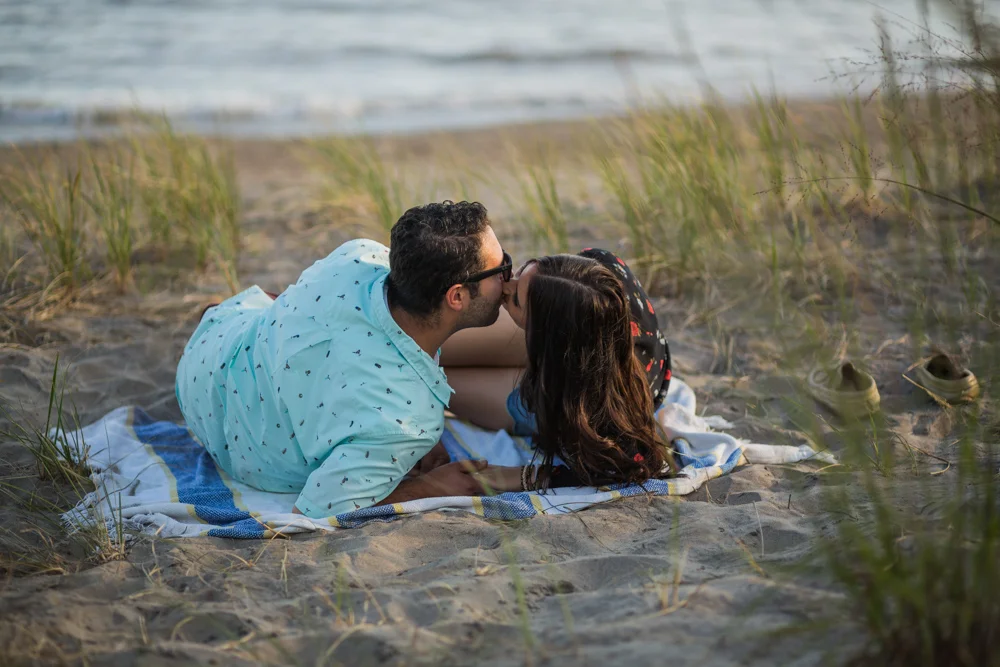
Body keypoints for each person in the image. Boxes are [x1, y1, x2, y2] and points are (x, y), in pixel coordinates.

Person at [174, 201, 513, 517]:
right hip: (232, 441)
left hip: (216, 347)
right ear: (456, 296)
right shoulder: (405, 421)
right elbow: (317, 509)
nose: (507, 278)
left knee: (290, 311)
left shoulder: (359, 255)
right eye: (501, 268)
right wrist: (430, 486)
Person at [441, 249, 675, 492]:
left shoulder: (594, 408)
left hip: (570, 377)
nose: (506, 287)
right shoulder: (596, 268)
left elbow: (631, 468)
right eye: (522, 271)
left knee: (434, 378)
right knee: (431, 342)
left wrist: (525, 476)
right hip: (573, 338)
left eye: (516, 301)